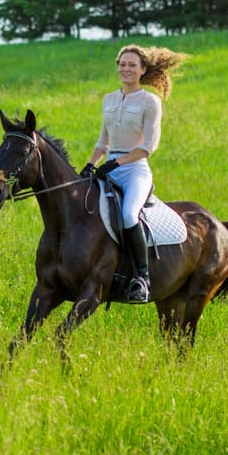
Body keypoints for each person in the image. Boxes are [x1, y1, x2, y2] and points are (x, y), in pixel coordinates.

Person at [80, 45, 188, 303]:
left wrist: (117, 163)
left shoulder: (150, 102)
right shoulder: (109, 99)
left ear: (142, 70)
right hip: (109, 167)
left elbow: (148, 147)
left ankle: (142, 278)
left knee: (129, 214)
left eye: (132, 65)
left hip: (134, 170)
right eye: (122, 64)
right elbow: (103, 142)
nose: (126, 69)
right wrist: (90, 164)